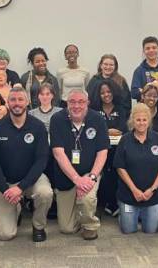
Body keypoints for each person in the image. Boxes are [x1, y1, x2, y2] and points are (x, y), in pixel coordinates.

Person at [0, 87, 54, 242]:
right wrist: (5, 189)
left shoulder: (38, 127)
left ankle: (38, 226)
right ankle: (16, 207)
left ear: (27, 102)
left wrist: (21, 187)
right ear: (8, 103)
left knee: (45, 193)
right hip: (6, 183)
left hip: (32, 179)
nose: (17, 103)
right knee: (5, 235)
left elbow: (41, 160)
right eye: (13, 100)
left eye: (20, 99)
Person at [50, 89, 109, 240]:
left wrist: (92, 177)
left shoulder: (98, 119)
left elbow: (102, 152)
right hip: (66, 177)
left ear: (87, 103)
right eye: (73, 102)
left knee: (87, 198)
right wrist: (77, 180)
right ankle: (78, 208)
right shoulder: (57, 119)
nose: (77, 106)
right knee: (66, 229)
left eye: (81, 102)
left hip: (89, 173)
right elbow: (58, 153)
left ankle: (90, 225)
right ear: (67, 104)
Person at [113, 103, 158, 234]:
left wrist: (152, 189)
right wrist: (134, 190)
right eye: (138, 120)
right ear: (132, 121)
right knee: (128, 230)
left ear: (149, 121)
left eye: (144, 120)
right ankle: (125, 214)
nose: (141, 123)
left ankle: (142, 214)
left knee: (150, 230)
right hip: (129, 195)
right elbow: (120, 167)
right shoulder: (125, 140)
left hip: (152, 195)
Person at [88, 79, 127, 216]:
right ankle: (104, 202)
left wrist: (104, 130)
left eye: (108, 91)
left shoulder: (121, 109)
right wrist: (109, 130)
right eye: (102, 92)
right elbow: (93, 130)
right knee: (104, 173)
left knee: (115, 171)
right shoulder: (93, 110)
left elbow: (122, 129)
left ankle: (114, 202)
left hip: (117, 149)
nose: (106, 95)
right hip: (98, 149)